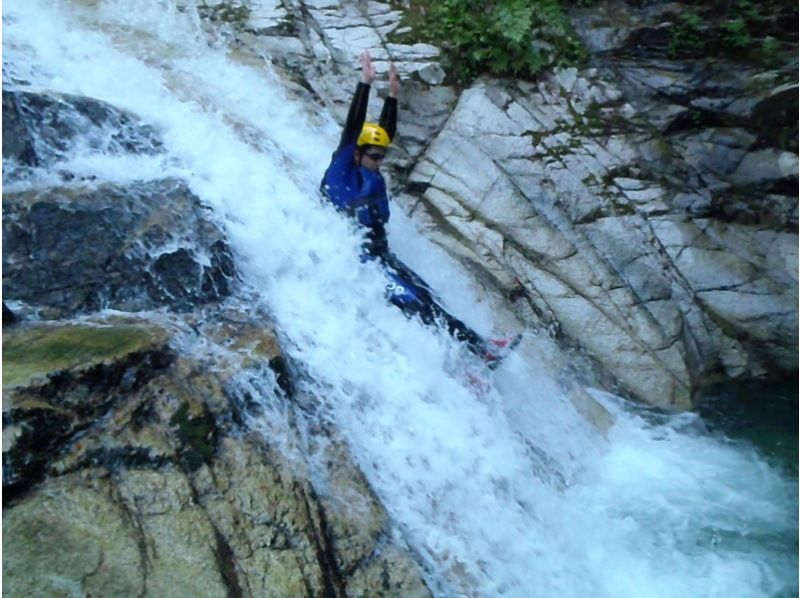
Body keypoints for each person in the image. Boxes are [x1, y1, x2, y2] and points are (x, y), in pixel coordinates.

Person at [321, 51, 518, 368]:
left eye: (382, 157)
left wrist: (393, 97)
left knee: (429, 294)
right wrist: (365, 83)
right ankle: (470, 362)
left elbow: (384, 134)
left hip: (380, 256)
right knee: (415, 304)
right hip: (359, 263)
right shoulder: (342, 172)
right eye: (373, 157)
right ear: (356, 155)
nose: (379, 162)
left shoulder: (370, 172)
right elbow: (353, 128)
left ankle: (479, 348)